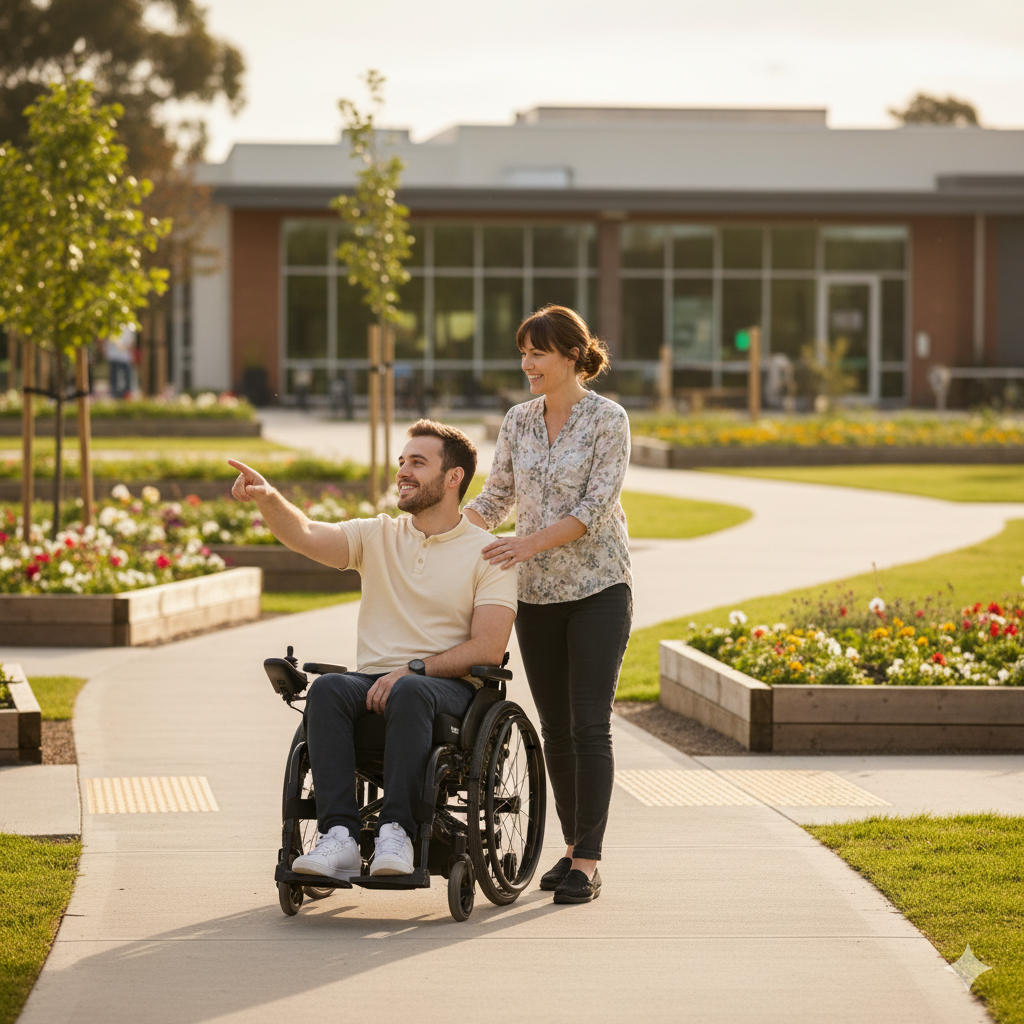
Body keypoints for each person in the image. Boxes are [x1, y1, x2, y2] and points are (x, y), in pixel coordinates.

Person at [228, 420, 517, 879]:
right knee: (326, 690)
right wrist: (267, 497)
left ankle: (396, 834)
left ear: (453, 477)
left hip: (449, 689)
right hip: (375, 681)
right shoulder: (377, 535)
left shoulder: (490, 554)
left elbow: (488, 644)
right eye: (402, 462)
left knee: (410, 691)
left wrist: (414, 669)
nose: (403, 471)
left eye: (417, 463)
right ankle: (339, 837)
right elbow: (304, 534)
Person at [463, 305, 632, 906]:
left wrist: (527, 543)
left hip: (598, 590)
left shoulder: (607, 420)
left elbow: (595, 507)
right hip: (533, 594)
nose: (528, 363)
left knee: (590, 723)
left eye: (538, 353)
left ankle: (589, 858)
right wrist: (449, 531)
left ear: (570, 356)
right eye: (524, 352)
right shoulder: (518, 420)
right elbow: (499, 494)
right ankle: (571, 846)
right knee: (555, 729)